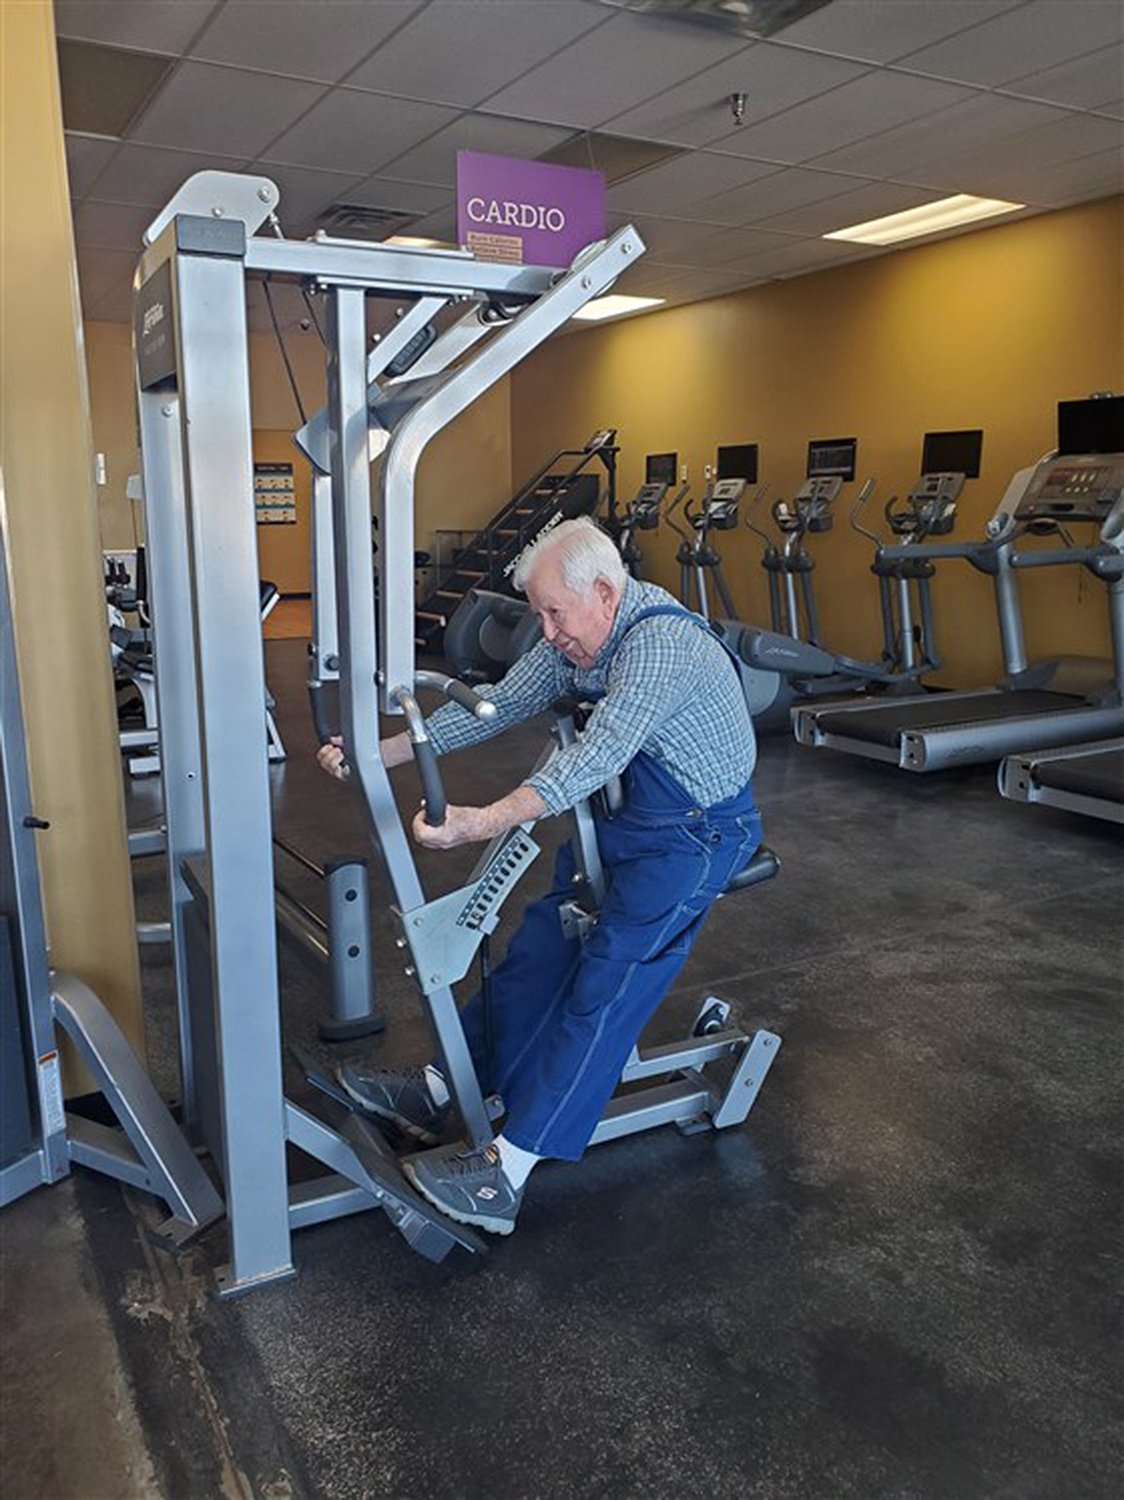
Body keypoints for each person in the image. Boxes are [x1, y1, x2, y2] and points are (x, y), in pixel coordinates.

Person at [318, 517, 762, 1236]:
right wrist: (382, 751)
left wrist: (480, 820)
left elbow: (595, 757)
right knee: (539, 946)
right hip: (628, 819)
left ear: (605, 593)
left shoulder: (661, 646)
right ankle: (438, 1091)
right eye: (541, 615)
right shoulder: (576, 639)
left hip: (699, 832)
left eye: (555, 613)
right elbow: (493, 706)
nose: (548, 631)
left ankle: (508, 1168)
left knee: (606, 979)